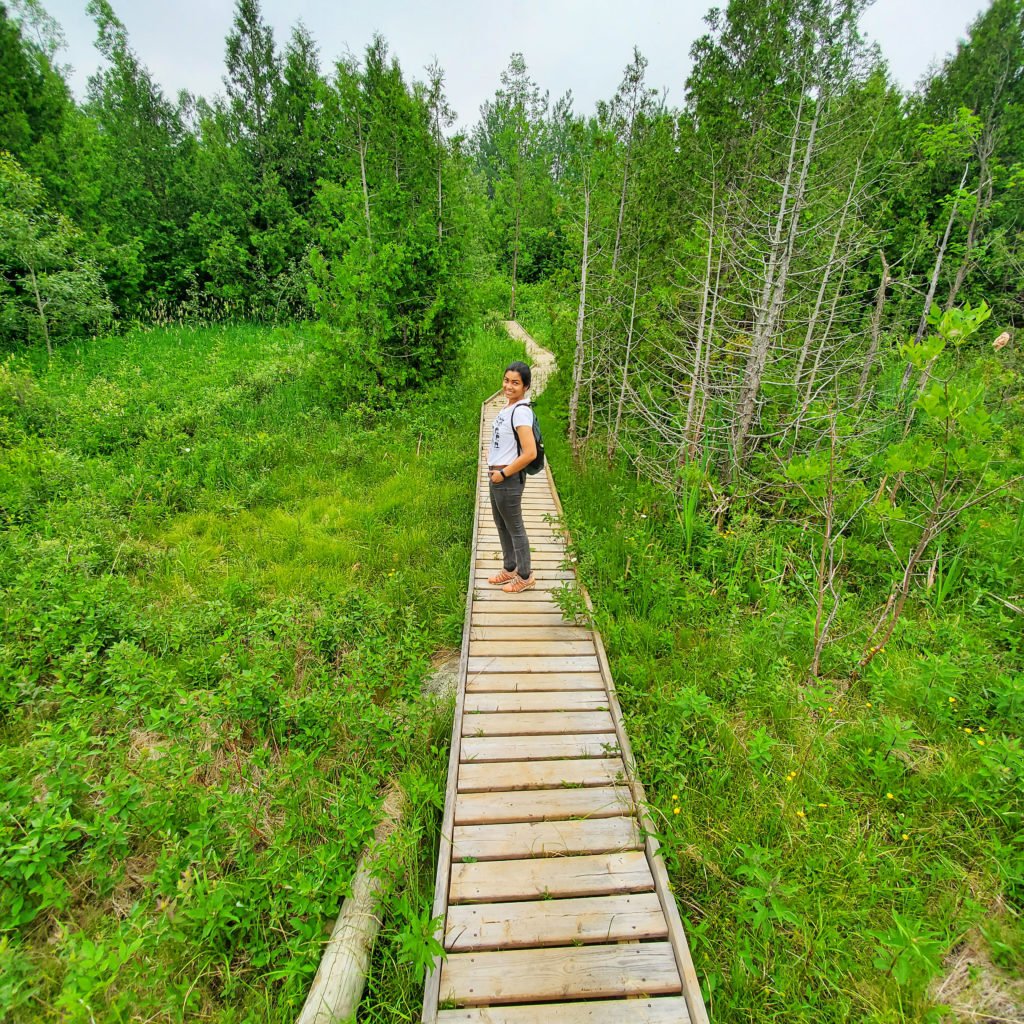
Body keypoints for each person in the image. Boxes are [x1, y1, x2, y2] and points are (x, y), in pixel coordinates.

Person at [486, 361, 537, 593]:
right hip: (498, 476)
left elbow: (530, 453)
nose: (509, 386)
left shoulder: (521, 412)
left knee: (515, 527)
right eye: (506, 380)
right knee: (502, 525)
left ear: (525, 386)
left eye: (515, 383)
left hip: (508, 478)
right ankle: (510, 568)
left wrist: (504, 473)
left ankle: (525, 575)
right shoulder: (508, 408)